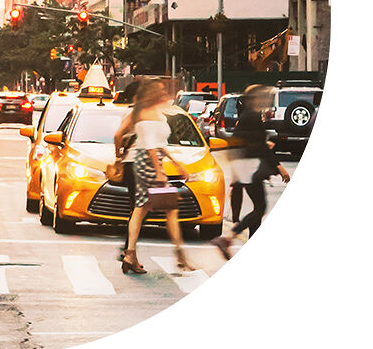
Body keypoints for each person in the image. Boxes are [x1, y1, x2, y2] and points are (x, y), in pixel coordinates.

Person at [113, 76, 195, 275]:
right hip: (146, 163)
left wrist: (177, 164)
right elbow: (149, 145)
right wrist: (159, 171)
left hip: (155, 161)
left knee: (153, 208)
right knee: (144, 208)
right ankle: (137, 253)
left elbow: (160, 145)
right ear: (151, 92)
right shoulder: (143, 112)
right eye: (159, 89)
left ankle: (133, 253)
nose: (163, 92)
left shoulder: (158, 112)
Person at [212, 85, 290, 259]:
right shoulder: (251, 117)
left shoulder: (248, 116)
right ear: (256, 98)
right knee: (260, 207)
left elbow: (247, 142)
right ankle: (227, 238)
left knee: (258, 206)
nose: (266, 100)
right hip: (250, 166)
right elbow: (260, 147)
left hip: (245, 165)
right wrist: (280, 168)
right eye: (263, 97)